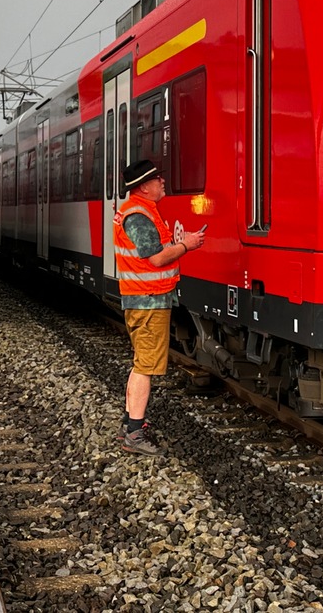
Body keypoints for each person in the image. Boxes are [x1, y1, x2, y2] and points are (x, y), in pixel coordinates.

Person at [113, 159, 205, 455]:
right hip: (147, 299)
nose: (162, 182)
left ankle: (130, 424)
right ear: (143, 186)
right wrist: (188, 245)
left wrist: (177, 242)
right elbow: (156, 259)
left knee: (142, 362)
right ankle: (135, 434)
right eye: (157, 179)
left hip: (146, 298)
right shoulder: (138, 215)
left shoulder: (142, 211)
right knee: (145, 366)